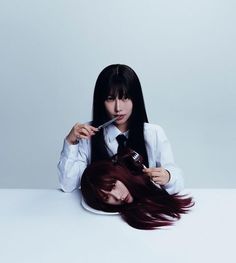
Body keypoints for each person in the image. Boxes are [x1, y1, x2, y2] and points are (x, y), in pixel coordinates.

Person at [58, 64, 184, 195]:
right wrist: (71, 141)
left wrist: (168, 176)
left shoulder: (153, 133)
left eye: (125, 98)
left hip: (142, 211)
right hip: (100, 211)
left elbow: (177, 182)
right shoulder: (88, 133)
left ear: (136, 99)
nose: (118, 108)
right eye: (110, 99)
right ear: (101, 101)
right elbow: (68, 185)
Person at [80, 149, 193, 230]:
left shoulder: (144, 179)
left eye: (113, 185)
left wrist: (168, 177)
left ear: (119, 174)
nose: (118, 197)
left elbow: (178, 180)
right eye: (106, 197)